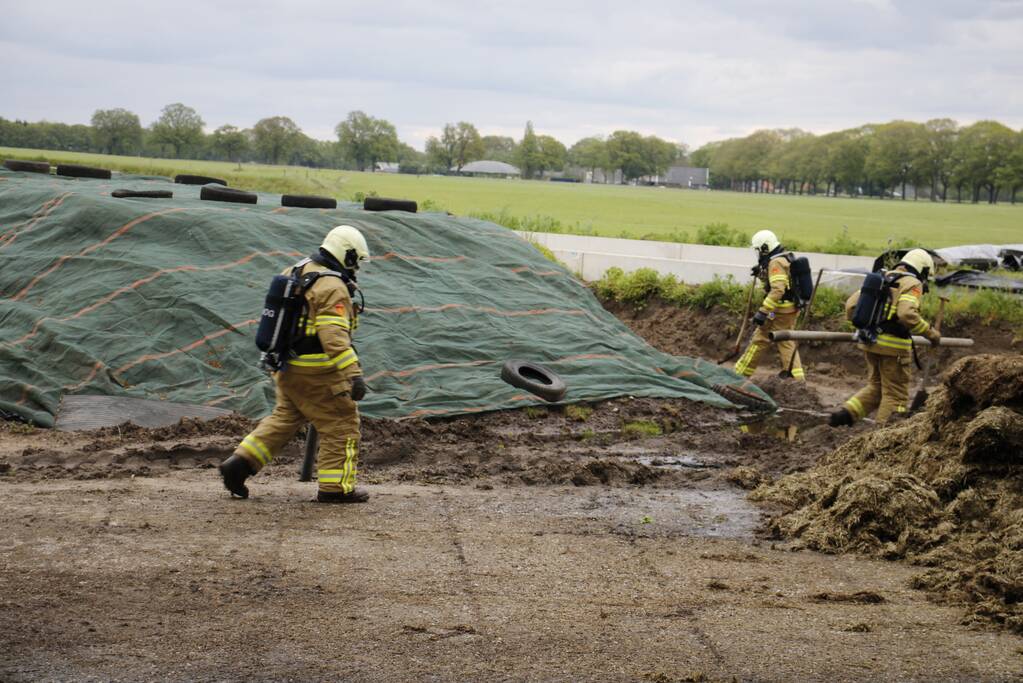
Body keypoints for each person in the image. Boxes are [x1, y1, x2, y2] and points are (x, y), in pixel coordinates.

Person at [219, 225, 371, 503]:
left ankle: (240, 463)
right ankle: (336, 489)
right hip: (318, 374)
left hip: (287, 369)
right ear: (347, 255)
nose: (356, 269)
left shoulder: (297, 270)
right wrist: (354, 374)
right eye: (356, 262)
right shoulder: (333, 287)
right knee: (341, 424)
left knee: (284, 419)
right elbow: (334, 337)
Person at [829, 248, 942, 426]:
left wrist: (867, 327)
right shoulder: (912, 283)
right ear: (923, 269)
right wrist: (931, 333)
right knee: (895, 395)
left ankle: (844, 416)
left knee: (876, 388)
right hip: (894, 349)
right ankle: (884, 435)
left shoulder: (883, 277)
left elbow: (851, 306)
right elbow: (906, 314)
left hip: (870, 342)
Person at [733, 229, 806, 381]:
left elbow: (778, 290)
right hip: (787, 309)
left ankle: (738, 375)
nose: (758, 254)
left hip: (778, 312)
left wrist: (763, 311)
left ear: (765, 248)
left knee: (760, 340)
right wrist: (761, 274)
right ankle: (798, 379)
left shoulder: (775, 263)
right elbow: (779, 283)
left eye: (758, 250)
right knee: (785, 341)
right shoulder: (782, 258)